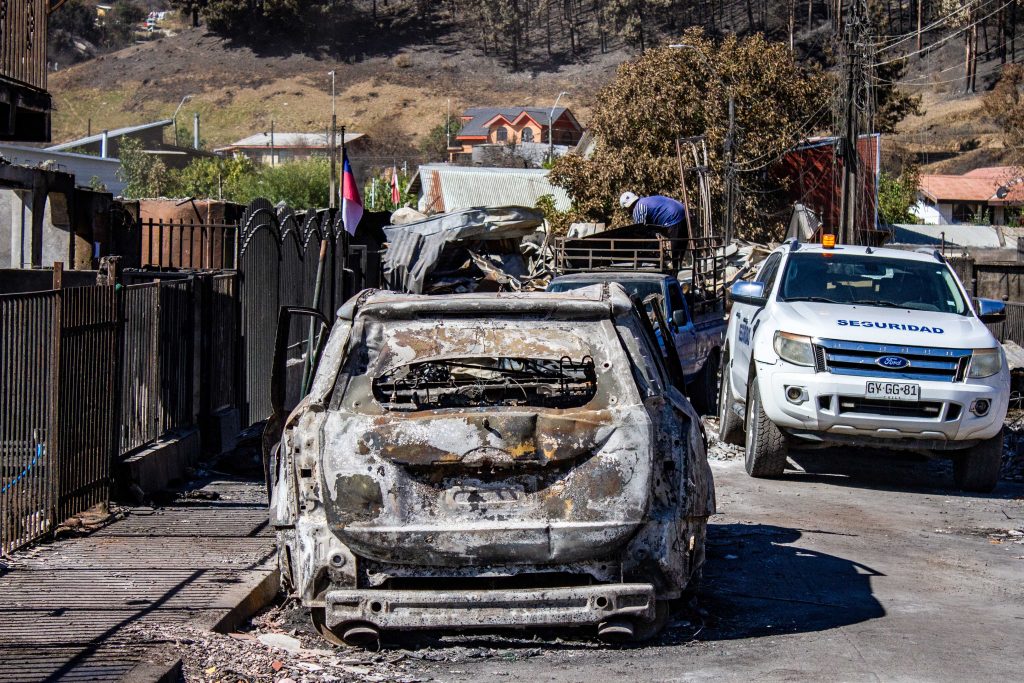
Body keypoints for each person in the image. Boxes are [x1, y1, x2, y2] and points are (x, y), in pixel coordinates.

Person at [620, 191, 688, 237]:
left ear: (627, 207)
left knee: (675, 255)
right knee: (679, 251)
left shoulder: (638, 208)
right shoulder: (645, 201)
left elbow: (641, 230)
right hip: (684, 213)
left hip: (674, 218)